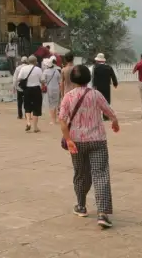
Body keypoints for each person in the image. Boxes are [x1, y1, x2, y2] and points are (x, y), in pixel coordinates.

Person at [59, 64, 120, 229]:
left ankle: (81, 206)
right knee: (101, 175)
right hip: (97, 140)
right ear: (89, 78)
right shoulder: (96, 94)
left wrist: (68, 139)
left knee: (80, 173)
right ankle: (102, 213)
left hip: (76, 141)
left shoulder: (68, 97)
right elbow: (108, 111)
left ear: (72, 79)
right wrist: (115, 122)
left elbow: (62, 120)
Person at [17, 55, 44, 133]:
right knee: (36, 107)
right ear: (35, 62)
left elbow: (19, 79)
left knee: (27, 106)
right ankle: (35, 127)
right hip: (36, 89)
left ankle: (28, 122)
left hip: (27, 90)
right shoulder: (38, 69)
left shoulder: (23, 68)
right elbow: (42, 80)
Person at [91, 53, 118, 119]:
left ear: (97, 60)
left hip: (97, 87)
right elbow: (113, 76)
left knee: (97, 101)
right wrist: (115, 83)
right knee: (106, 101)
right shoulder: (109, 67)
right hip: (106, 86)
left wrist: (93, 85)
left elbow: (94, 77)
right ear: (103, 60)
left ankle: (97, 116)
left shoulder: (95, 68)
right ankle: (105, 116)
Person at [42, 57, 61, 125]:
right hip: (57, 88)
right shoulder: (57, 71)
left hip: (49, 89)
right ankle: (55, 118)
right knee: (55, 104)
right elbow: (59, 81)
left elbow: (43, 80)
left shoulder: (45, 71)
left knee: (51, 104)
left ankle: (53, 120)